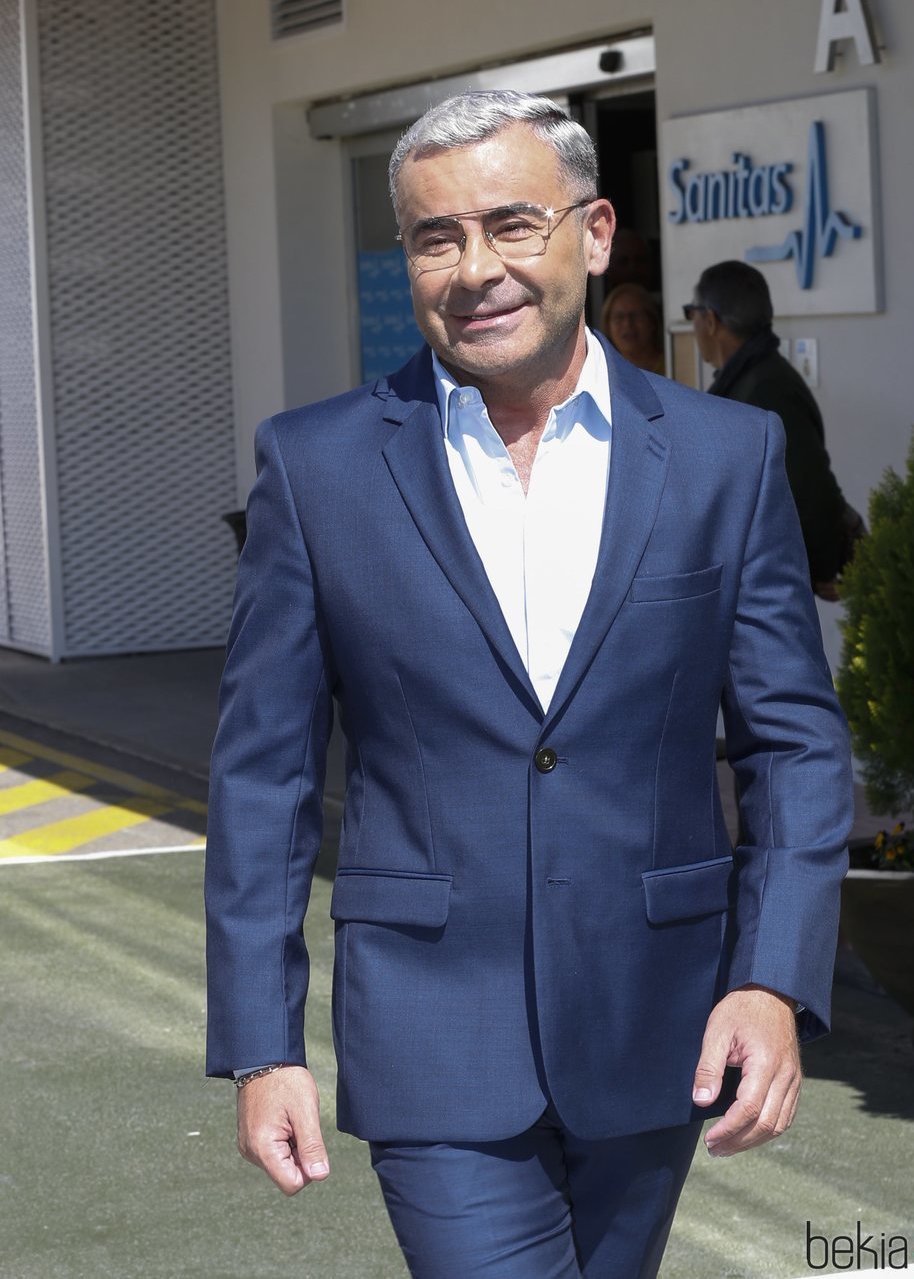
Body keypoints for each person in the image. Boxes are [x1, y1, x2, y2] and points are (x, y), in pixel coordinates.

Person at [205, 92, 853, 1279]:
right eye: (435, 237)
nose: (474, 269)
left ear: (594, 234)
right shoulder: (316, 468)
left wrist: (769, 978)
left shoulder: (724, 458)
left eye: (511, 224)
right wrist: (262, 1044)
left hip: (658, 1024)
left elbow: (792, 745)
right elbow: (264, 776)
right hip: (430, 1039)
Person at [685, 260, 859, 601]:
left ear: (710, 320)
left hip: (770, 585)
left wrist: (821, 567)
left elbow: (808, 487)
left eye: (692, 314)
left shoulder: (767, 390)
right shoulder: (751, 382)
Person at [601, 282, 665, 374]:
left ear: (652, 322)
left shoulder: (672, 363)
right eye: (619, 317)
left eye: (636, 315)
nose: (627, 324)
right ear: (608, 326)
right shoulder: (602, 372)